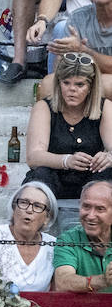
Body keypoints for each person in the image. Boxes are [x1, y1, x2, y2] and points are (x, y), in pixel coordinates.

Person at [24, 54, 112, 199]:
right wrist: (66, 160)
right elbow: (34, 157)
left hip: (92, 178)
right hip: (53, 177)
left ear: (90, 87)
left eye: (79, 84)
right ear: (59, 83)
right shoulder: (44, 107)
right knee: (40, 175)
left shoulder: (105, 106)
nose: (72, 89)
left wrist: (108, 157)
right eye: (66, 83)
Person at [0, 181, 58, 292]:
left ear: (47, 218)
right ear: (14, 209)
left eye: (37, 206)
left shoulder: (53, 245)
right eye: (23, 202)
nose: (29, 210)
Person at [52, 178, 112, 290]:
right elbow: (63, 282)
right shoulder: (68, 239)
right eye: (86, 206)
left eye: (100, 209)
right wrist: (103, 280)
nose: (91, 215)